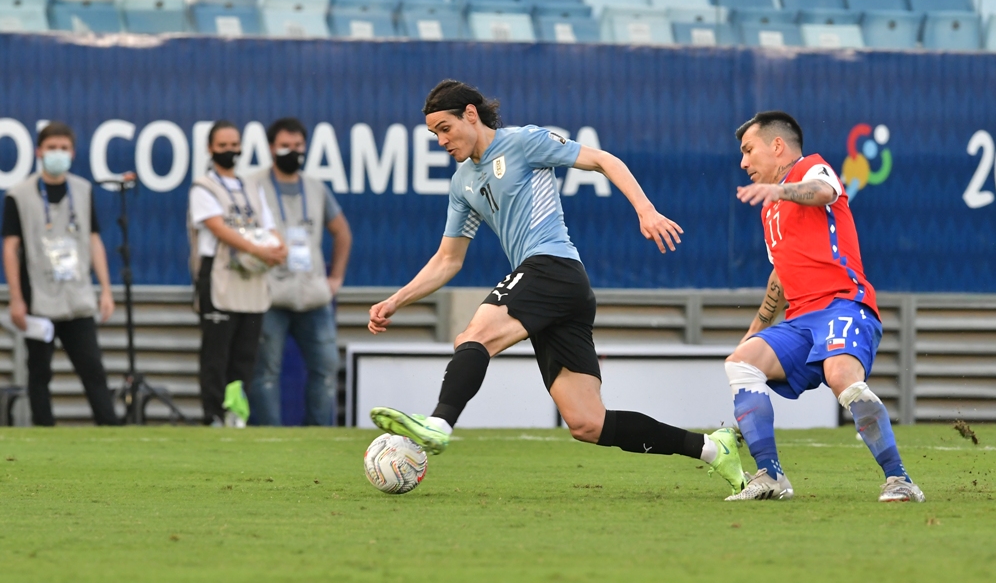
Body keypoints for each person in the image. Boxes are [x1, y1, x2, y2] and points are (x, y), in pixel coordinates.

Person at [367, 80, 746, 494]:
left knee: (473, 336)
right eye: (433, 133)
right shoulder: (462, 184)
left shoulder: (524, 142)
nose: (441, 140)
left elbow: (603, 160)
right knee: (587, 422)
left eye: (445, 128)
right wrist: (397, 299)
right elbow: (448, 260)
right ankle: (712, 448)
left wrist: (647, 211)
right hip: (555, 291)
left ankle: (439, 423)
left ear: (470, 115)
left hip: (553, 267)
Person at [723, 111, 924, 503]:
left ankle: (899, 480)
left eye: (749, 150)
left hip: (844, 305)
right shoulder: (769, 211)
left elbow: (822, 191)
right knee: (741, 362)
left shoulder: (811, 167)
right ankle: (771, 477)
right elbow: (780, 277)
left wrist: (781, 190)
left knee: (840, 374)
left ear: (777, 145)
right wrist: (755, 331)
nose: (743, 162)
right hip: (800, 319)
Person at [2, 122, 120, 426]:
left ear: (73, 152)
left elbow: (94, 239)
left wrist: (105, 289)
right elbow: (11, 248)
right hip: (37, 296)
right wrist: (16, 298)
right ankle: (45, 431)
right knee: (39, 371)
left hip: (76, 294)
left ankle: (110, 429)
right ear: (39, 151)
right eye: (52, 148)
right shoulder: (19, 194)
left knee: (92, 367)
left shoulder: (82, 189)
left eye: (64, 148)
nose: (58, 154)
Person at [248, 118, 351, 426]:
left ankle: (319, 433)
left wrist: (336, 279)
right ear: (270, 148)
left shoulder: (315, 187)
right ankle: (268, 438)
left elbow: (342, 232)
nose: (292, 152)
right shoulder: (253, 185)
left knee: (326, 368)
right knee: (264, 372)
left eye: (297, 147)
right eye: (285, 146)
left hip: (313, 295)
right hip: (270, 295)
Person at [188, 120, 286, 427]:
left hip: (252, 279)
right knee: (216, 354)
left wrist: (278, 249)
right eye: (223, 146)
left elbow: (270, 228)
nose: (230, 151)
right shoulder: (203, 187)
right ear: (210, 149)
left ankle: (236, 412)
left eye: (234, 145)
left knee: (245, 354)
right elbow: (218, 228)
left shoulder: (251, 187)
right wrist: (259, 251)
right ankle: (213, 414)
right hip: (219, 276)